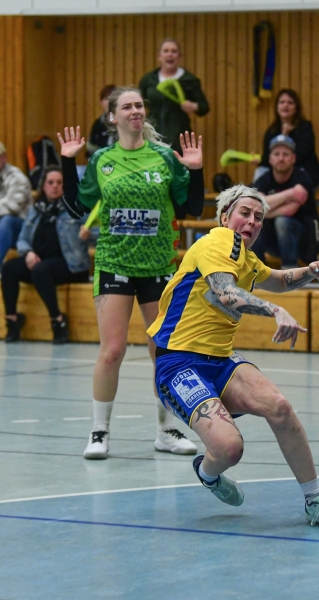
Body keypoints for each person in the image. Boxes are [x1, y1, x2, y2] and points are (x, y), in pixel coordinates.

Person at [147, 184, 319, 528]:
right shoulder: (217, 242)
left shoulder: (245, 258)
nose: (252, 221)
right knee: (229, 449)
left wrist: (311, 271)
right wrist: (276, 311)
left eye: (258, 217)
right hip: (178, 363)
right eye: (245, 213)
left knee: (280, 407)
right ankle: (207, 473)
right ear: (225, 217)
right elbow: (226, 293)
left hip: (220, 360)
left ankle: (315, 500)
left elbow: (278, 279)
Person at [58, 85, 205, 460]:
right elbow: (77, 207)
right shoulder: (102, 160)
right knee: (112, 350)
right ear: (113, 117)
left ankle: (167, 430)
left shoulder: (164, 157)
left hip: (158, 265)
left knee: (163, 351)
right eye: (127, 106)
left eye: (139, 105)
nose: (135, 110)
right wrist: (67, 163)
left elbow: (191, 207)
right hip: (114, 263)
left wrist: (196, 170)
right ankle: (99, 432)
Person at [2, 167, 89, 343]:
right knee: (9, 268)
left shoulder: (76, 208)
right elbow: (22, 239)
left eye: (59, 183)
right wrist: (28, 252)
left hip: (71, 265)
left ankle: (58, 320)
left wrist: (88, 234)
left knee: (40, 270)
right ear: (44, 186)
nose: (55, 186)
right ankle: (12, 320)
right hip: (41, 263)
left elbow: (98, 231)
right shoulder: (36, 210)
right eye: (50, 182)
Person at [249, 135, 319, 269]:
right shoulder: (263, 180)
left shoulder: (302, 177)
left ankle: (289, 270)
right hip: (273, 240)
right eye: (276, 154)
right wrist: (290, 193)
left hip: (302, 241)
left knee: (282, 222)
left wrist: (265, 210)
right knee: (254, 223)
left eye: (285, 154)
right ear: (270, 158)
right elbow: (256, 207)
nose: (281, 158)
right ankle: (256, 271)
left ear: (293, 158)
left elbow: (289, 210)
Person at [139, 39, 210, 153]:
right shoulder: (149, 79)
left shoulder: (189, 80)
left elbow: (204, 107)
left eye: (174, 51)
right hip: (152, 134)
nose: (170, 54)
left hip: (178, 136)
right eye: (166, 51)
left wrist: (193, 106)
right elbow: (138, 101)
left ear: (179, 56)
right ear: (159, 56)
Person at [254, 89, 319, 190]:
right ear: (277, 108)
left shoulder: (305, 128)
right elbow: (269, 158)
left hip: (304, 171)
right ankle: (256, 197)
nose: (285, 105)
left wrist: (285, 136)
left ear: (296, 108)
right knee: (260, 171)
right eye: (282, 102)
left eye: (290, 103)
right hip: (281, 175)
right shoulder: (271, 131)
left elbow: (299, 156)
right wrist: (260, 160)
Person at [0, 141, 33, 263]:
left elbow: (12, 206)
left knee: (7, 221)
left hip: (22, 227)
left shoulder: (17, 177)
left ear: (4, 158)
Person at [87, 85, 117, 158]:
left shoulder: (126, 123)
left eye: (113, 99)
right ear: (101, 102)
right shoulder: (98, 124)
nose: (109, 102)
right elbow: (91, 149)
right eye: (107, 99)